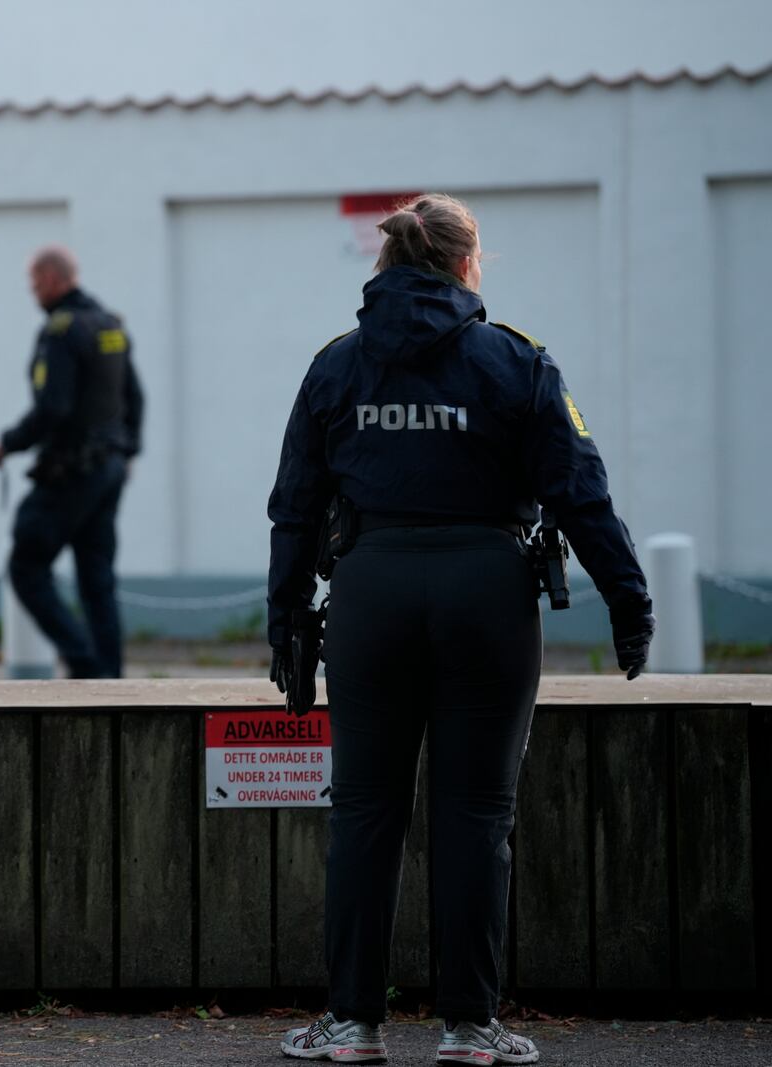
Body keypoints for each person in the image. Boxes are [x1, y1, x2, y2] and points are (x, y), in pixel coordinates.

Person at [267, 194, 654, 1064]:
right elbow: (581, 492)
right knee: (478, 812)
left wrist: (286, 618)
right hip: (488, 595)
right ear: (468, 265)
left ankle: (354, 1025)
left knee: (364, 810)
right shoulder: (516, 362)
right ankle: (469, 1027)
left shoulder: (337, 366)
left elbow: (293, 508)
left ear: (389, 266)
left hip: (371, 593)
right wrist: (630, 602)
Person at [0, 245, 144, 679]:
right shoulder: (109, 324)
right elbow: (135, 397)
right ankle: (110, 681)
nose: (33, 293)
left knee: (26, 566)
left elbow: (53, 408)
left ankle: (87, 666)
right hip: (109, 470)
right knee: (97, 580)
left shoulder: (62, 330)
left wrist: (5, 446)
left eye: (35, 283)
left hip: (72, 470)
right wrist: (129, 452)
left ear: (53, 279)